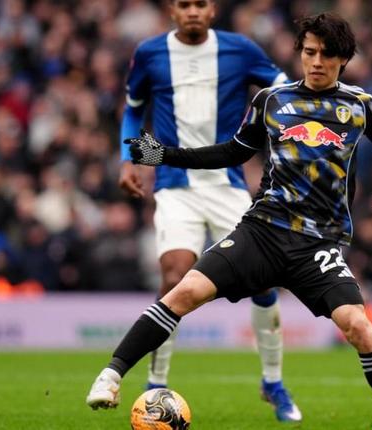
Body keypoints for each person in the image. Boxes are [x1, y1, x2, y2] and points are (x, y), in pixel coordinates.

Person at [87, 12, 372, 426]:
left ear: (344, 59)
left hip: (318, 244)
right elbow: (231, 152)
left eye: (327, 54)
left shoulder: (362, 106)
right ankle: (110, 376)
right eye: (309, 52)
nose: (316, 61)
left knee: (358, 326)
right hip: (262, 232)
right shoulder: (271, 101)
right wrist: (162, 155)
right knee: (184, 289)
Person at [116, 0, 300, 421]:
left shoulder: (240, 49)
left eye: (200, 4)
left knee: (263, 280)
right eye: (185, 4)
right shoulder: (150, 53)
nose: (193, 11)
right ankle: (155, 384)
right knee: (173, 276)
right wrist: (128, 160)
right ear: (172, 10)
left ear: (213, 10)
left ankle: (273, 383)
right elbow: (133, 108)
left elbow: (284, 92)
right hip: (174, 185)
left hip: (227, 185)